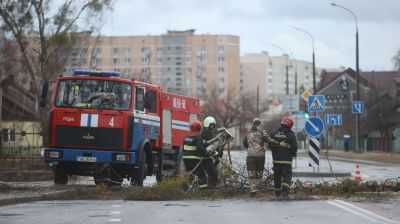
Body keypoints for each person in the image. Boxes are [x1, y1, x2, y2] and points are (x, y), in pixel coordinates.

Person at [243, 118, 288, 195]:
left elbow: (244, 143)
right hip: (260, 156)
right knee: (259, 172)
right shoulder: (262, 132)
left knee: (251, 173)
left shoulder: (248, 133)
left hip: (250, 155)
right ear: (259, 124)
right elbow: (269, 140)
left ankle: (253, 189)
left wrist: (251, 148)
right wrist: (279, 143)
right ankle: (257, 189)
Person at [268, 116, 298, 199]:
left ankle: (277, 194)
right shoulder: (291, 135)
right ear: (290, 125)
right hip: (286, 161)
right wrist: (292, 154)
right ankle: (285, 193)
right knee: (287, 176)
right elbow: (294, 147)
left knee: (277, 177)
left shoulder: (273, 133)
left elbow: (270, 144)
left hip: (276, 160)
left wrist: (275, 149)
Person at [183, 120, 208, 189]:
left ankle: (184, 188)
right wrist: (205, 152)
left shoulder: (186, 137)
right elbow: (199, 148)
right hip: (194, 159)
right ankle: (204, 190)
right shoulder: (198, 138)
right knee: (201, 174)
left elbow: (183, 148)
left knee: (190, 174)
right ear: (199, 128)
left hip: (186, 159)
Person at [201, 116, 219, 188]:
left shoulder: (202, 133)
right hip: (206, 158)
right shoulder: (208, 134)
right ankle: (210, 188)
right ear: (209, 125)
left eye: (213, 126)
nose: (213, 127)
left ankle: (209, 187)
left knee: (210, 173)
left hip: (204, 157)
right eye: (212, 126)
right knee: (213, 174)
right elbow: (213, 146)